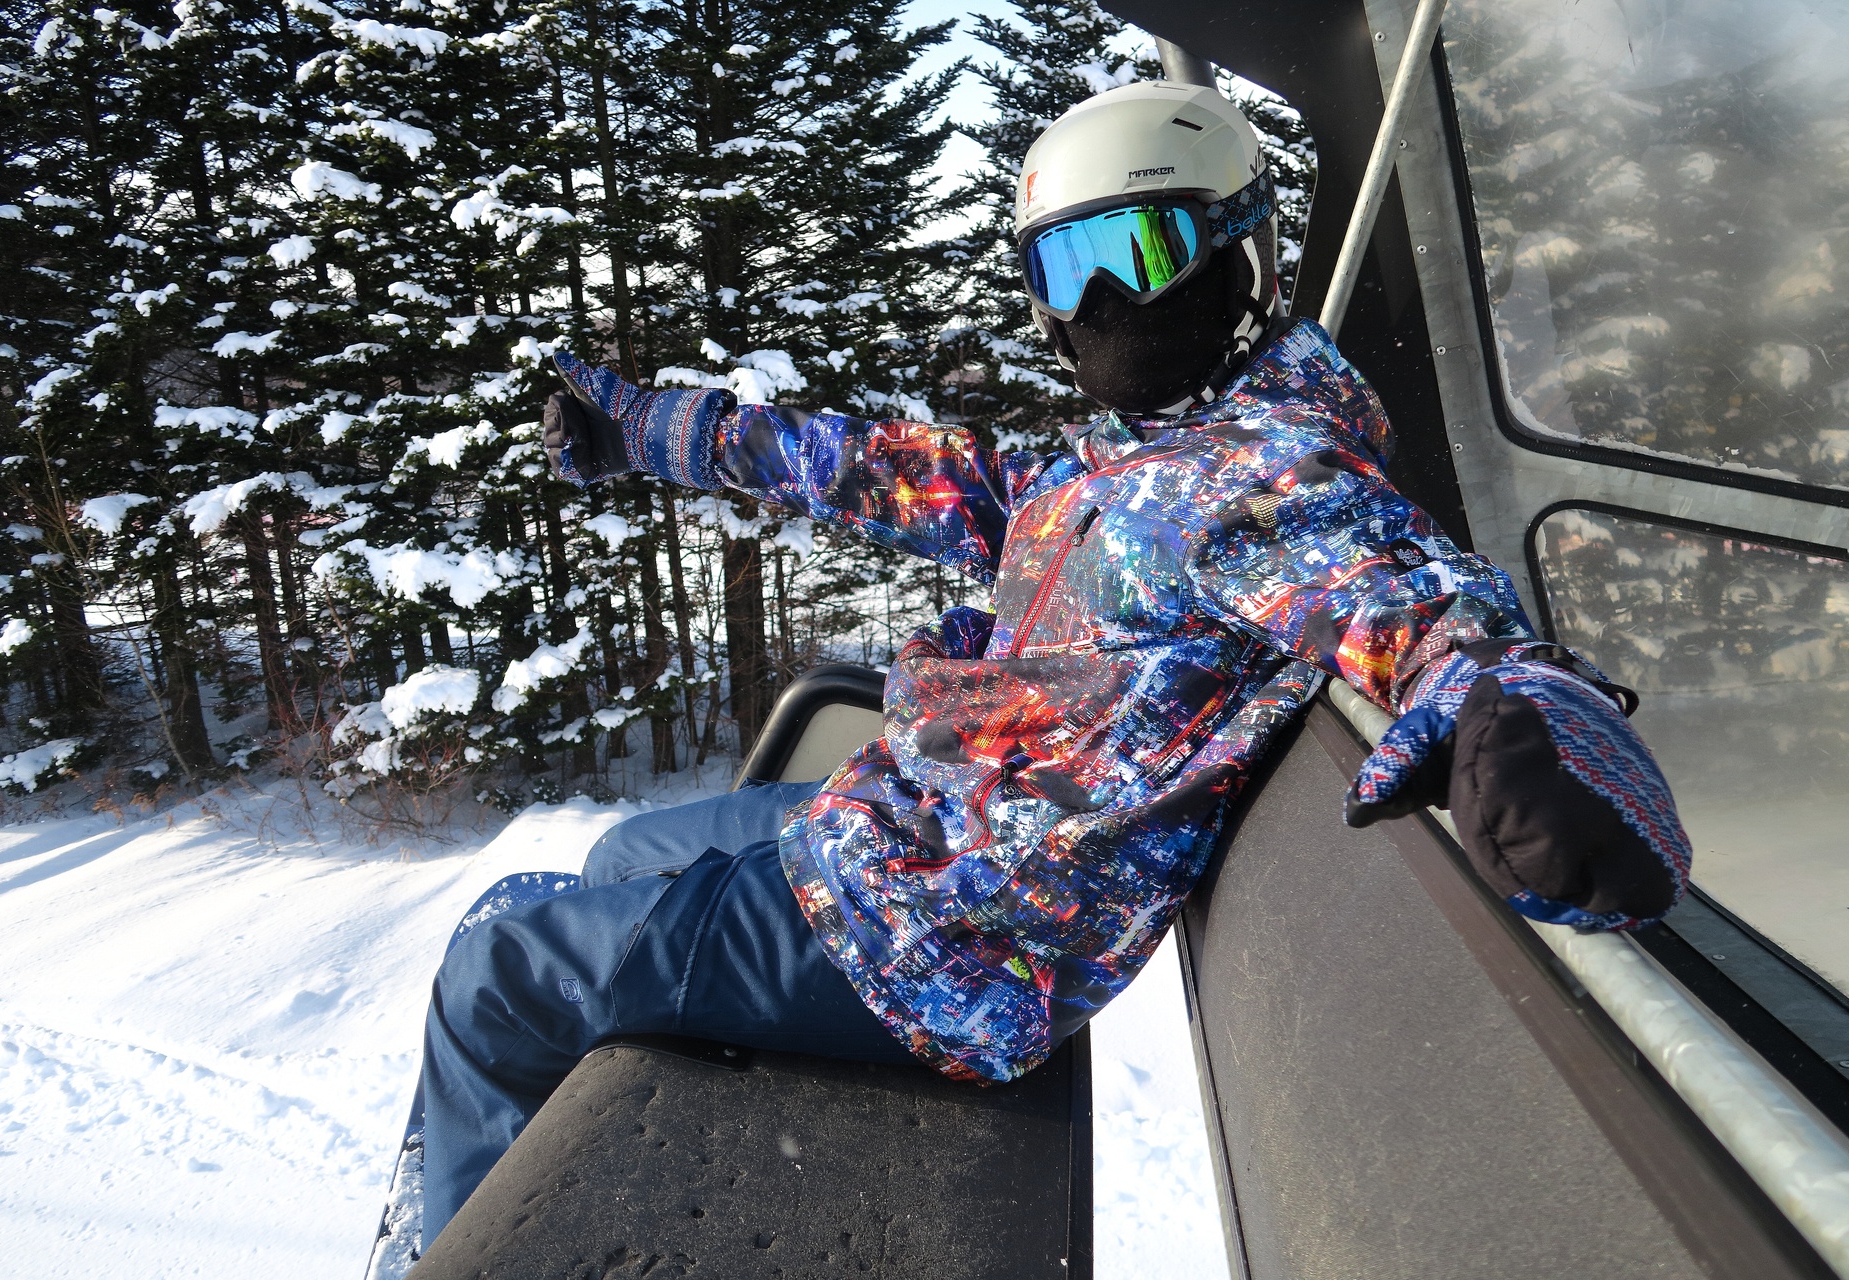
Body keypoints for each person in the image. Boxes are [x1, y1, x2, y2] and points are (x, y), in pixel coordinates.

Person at [416, 80, 1693, 1244]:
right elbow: (897, 471)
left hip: (947, 936)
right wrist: (658, 430)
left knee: (495, 970)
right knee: (618, 853)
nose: (1101, 306)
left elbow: (1424, 607)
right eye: (1066, 267)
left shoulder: (1264, 474)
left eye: (1142, 253)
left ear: (1241, 256)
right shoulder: (1124, 461)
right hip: (925, 834)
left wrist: (1538, 722)